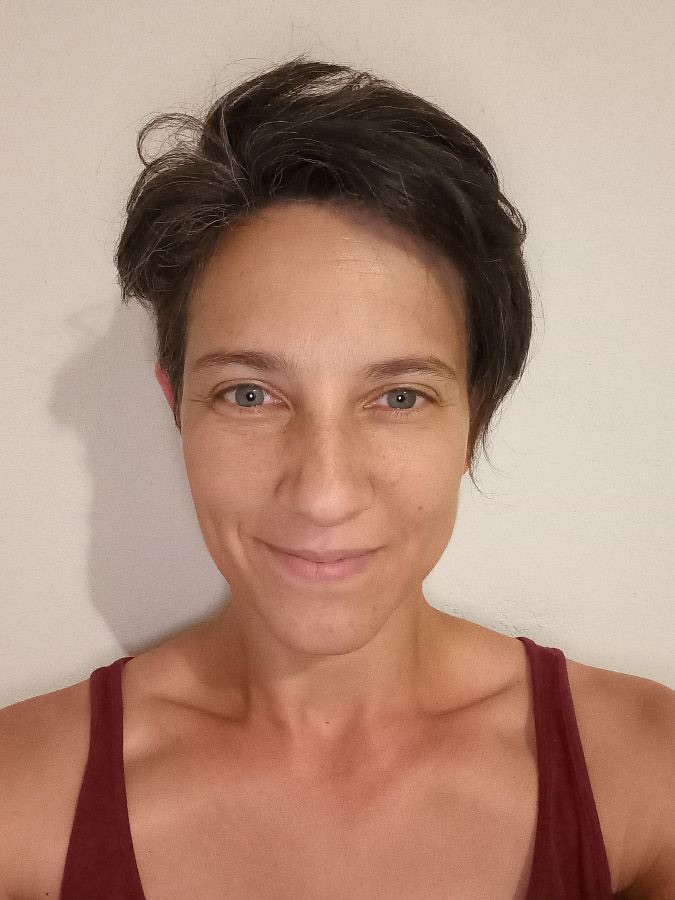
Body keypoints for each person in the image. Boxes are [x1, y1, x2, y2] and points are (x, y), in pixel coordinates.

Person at [0, 54, 672, 900]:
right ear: (178, 407)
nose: (323, 493)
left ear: (475, 418)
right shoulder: (21, 797)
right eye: (249, 394)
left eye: (398, 397)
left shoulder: (645, 774)